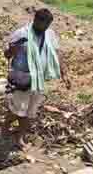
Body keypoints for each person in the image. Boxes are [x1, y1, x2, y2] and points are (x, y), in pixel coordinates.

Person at [4, 8, 69, 148]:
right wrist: (12, 50)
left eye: (47, 25)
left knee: (30, 111)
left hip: (39, 79)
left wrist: (64, 73)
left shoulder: (50, 34)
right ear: (35, 20)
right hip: (21, 77)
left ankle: (17, 135)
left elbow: (57, 53)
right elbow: (7, 55)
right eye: (42, 24)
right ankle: (11, 131)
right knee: (19, 110)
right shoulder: (21, 34)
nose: (44, 28)